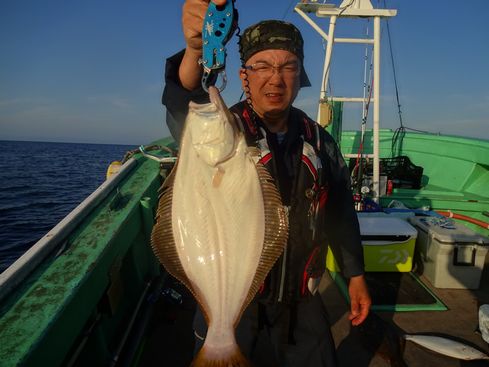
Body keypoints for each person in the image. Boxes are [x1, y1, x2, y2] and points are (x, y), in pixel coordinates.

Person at [162, 0, 371, 365]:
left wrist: (355, 275)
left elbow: (339, 213)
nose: (275, 78)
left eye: (288, 66)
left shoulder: (320, 141)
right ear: (244, 76)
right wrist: (197, 49)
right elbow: (185, 101)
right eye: (262, 66)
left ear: (300, 75)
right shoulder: (224, 129)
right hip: (233, 301)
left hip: (302, 304)